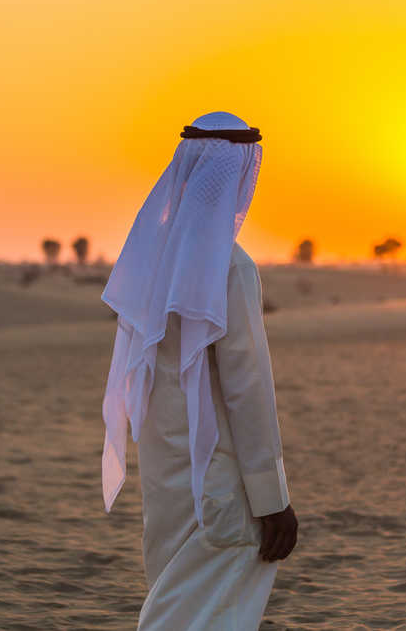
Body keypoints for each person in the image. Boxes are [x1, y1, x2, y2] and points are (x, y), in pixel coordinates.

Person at [99, 111, 298, 629]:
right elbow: (247, 388)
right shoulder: (230, 268)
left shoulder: (152, 256)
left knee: (176, 605)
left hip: (165, 481)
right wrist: (273, 501)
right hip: (220, 484)